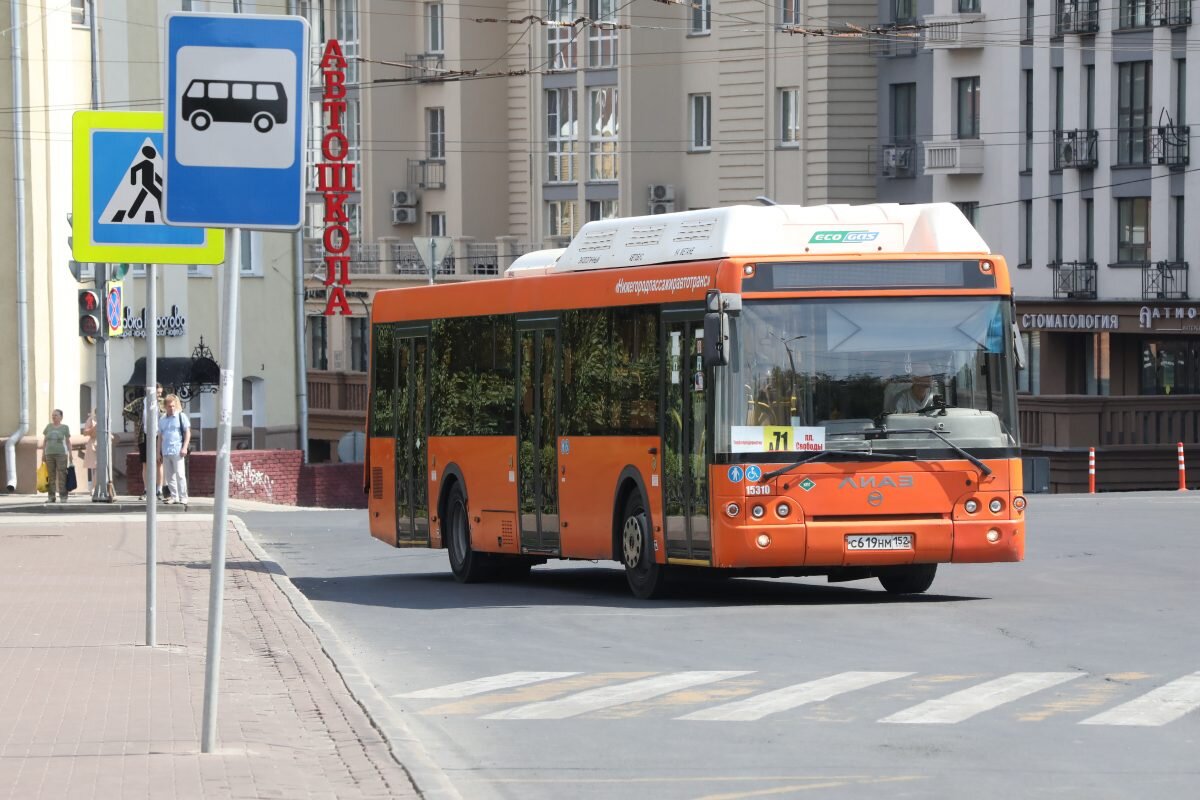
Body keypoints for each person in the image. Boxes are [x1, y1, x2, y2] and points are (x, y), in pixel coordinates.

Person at [124, 383, 164, 500]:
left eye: (160, 393)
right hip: (144, 435)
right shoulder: (141, 401)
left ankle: (159, 490)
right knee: (145, 463)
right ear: (150, 391)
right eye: (157, 392)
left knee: (159, 462)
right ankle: (146, 490)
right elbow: (126, 411)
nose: (159, 395)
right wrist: (138, 419)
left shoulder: (162, 402)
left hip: (159, 435)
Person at [159, 394, 190, 507]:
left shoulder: (181, 416)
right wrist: (158, 452)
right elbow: (160, 437)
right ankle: (174, 496)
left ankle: (183, 497)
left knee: (180, 474)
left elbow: (187, 433)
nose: (171, 408)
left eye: (173, 406)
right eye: (169, 406)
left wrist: (184, 447)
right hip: (166, 450)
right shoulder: (162, 419)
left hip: (178, 450)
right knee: (169, 476)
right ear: (165, 407)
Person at [41, 409, 71, 503]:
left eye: (56, 415)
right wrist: (43, 454)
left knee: (62, 475)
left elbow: (68, 441)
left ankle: (63, 496)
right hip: (49, 454)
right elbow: (45, 441)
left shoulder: (65, 427)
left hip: (61, 454)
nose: (54, 417)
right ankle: (51, 497)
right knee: (51, 476)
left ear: (61, 417)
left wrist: (70, 454)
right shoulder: (48, 427)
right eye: (53, 415)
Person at [82, 408, 98, 490]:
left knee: (103, 466)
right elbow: (85, 433)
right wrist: (94, 428)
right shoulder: (91, 419)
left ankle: (100, 486)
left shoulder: (107, 419)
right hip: (94, 443)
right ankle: (94, 487)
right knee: (94, 466)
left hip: (104, 443)